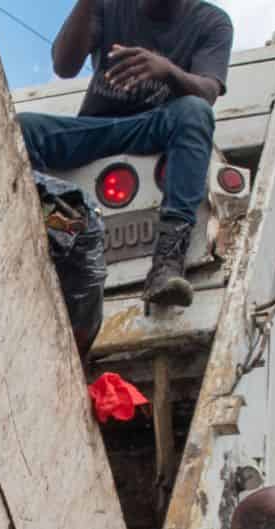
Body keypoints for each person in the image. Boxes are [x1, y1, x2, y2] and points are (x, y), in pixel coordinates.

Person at [17, 0, 233, 309]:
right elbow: (64, 66)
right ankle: (54, 230)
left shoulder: (212, 21)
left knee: (195, 112)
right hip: (97, 128)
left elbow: (208, 92)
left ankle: (167, 263)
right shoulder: (108, 6)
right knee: (22, 130)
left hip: (155, 126)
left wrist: (167, 71)